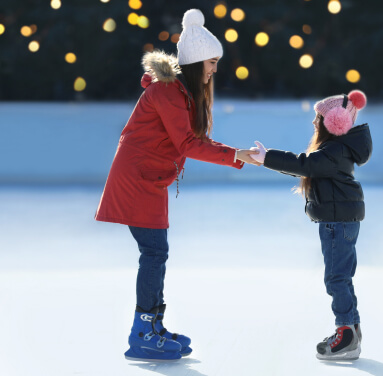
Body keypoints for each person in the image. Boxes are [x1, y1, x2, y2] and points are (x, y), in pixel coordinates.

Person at [94, 9, 259, 362]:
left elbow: (191, 140)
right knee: (154, 252)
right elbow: (188, 144)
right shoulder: (168, 92)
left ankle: (152, 327)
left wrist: (236, 154)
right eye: (212, 62)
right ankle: (143, 333)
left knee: (156, 252)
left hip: (149, 180)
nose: (215, 70)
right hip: (137, 180)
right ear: (198, 61)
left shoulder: (179, 92)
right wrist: (237, 155)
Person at [252, 90, 372, 360]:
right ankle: (351, 329)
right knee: (342, 277)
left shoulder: (334, 151)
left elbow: (303, 164)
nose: (315, 122)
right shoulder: (339, 149)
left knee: (336, 278)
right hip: (341, 220)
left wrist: (266, 157)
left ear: (336, 122)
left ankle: (346, 335)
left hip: (337, 222)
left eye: (319, 117)